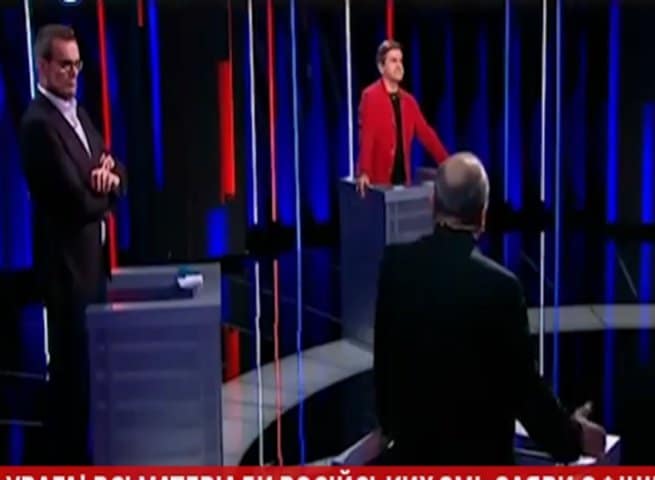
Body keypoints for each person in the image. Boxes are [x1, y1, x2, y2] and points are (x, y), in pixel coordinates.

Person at [372, 152, 606, 465]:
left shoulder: (395, 266)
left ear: (433, 204)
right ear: (482, 215)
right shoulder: (501, 289)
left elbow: (385, 378)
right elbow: (526, 394)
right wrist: (574, 437)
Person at [19, 24, 126, 464]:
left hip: (92, 267)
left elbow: (114, 166)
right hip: (66, 275)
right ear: (43, 66)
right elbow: (73, 200)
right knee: (70, 382)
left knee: (89, 378)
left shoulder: (79, 114)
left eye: (78, 65)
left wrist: (109, 179)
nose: (73, 73)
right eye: (65, 65)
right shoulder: (37, 125)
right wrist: (107, 187)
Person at [356, 40, 448, 195]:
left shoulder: (409, 101)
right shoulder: (370, 96)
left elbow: (426, 134)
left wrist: (446, 162)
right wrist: (364, 171)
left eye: (400, 60)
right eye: (393, 61)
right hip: (379, 184)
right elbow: (367, 137)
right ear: (381, 67)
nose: (399, 65)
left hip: (403, 183)